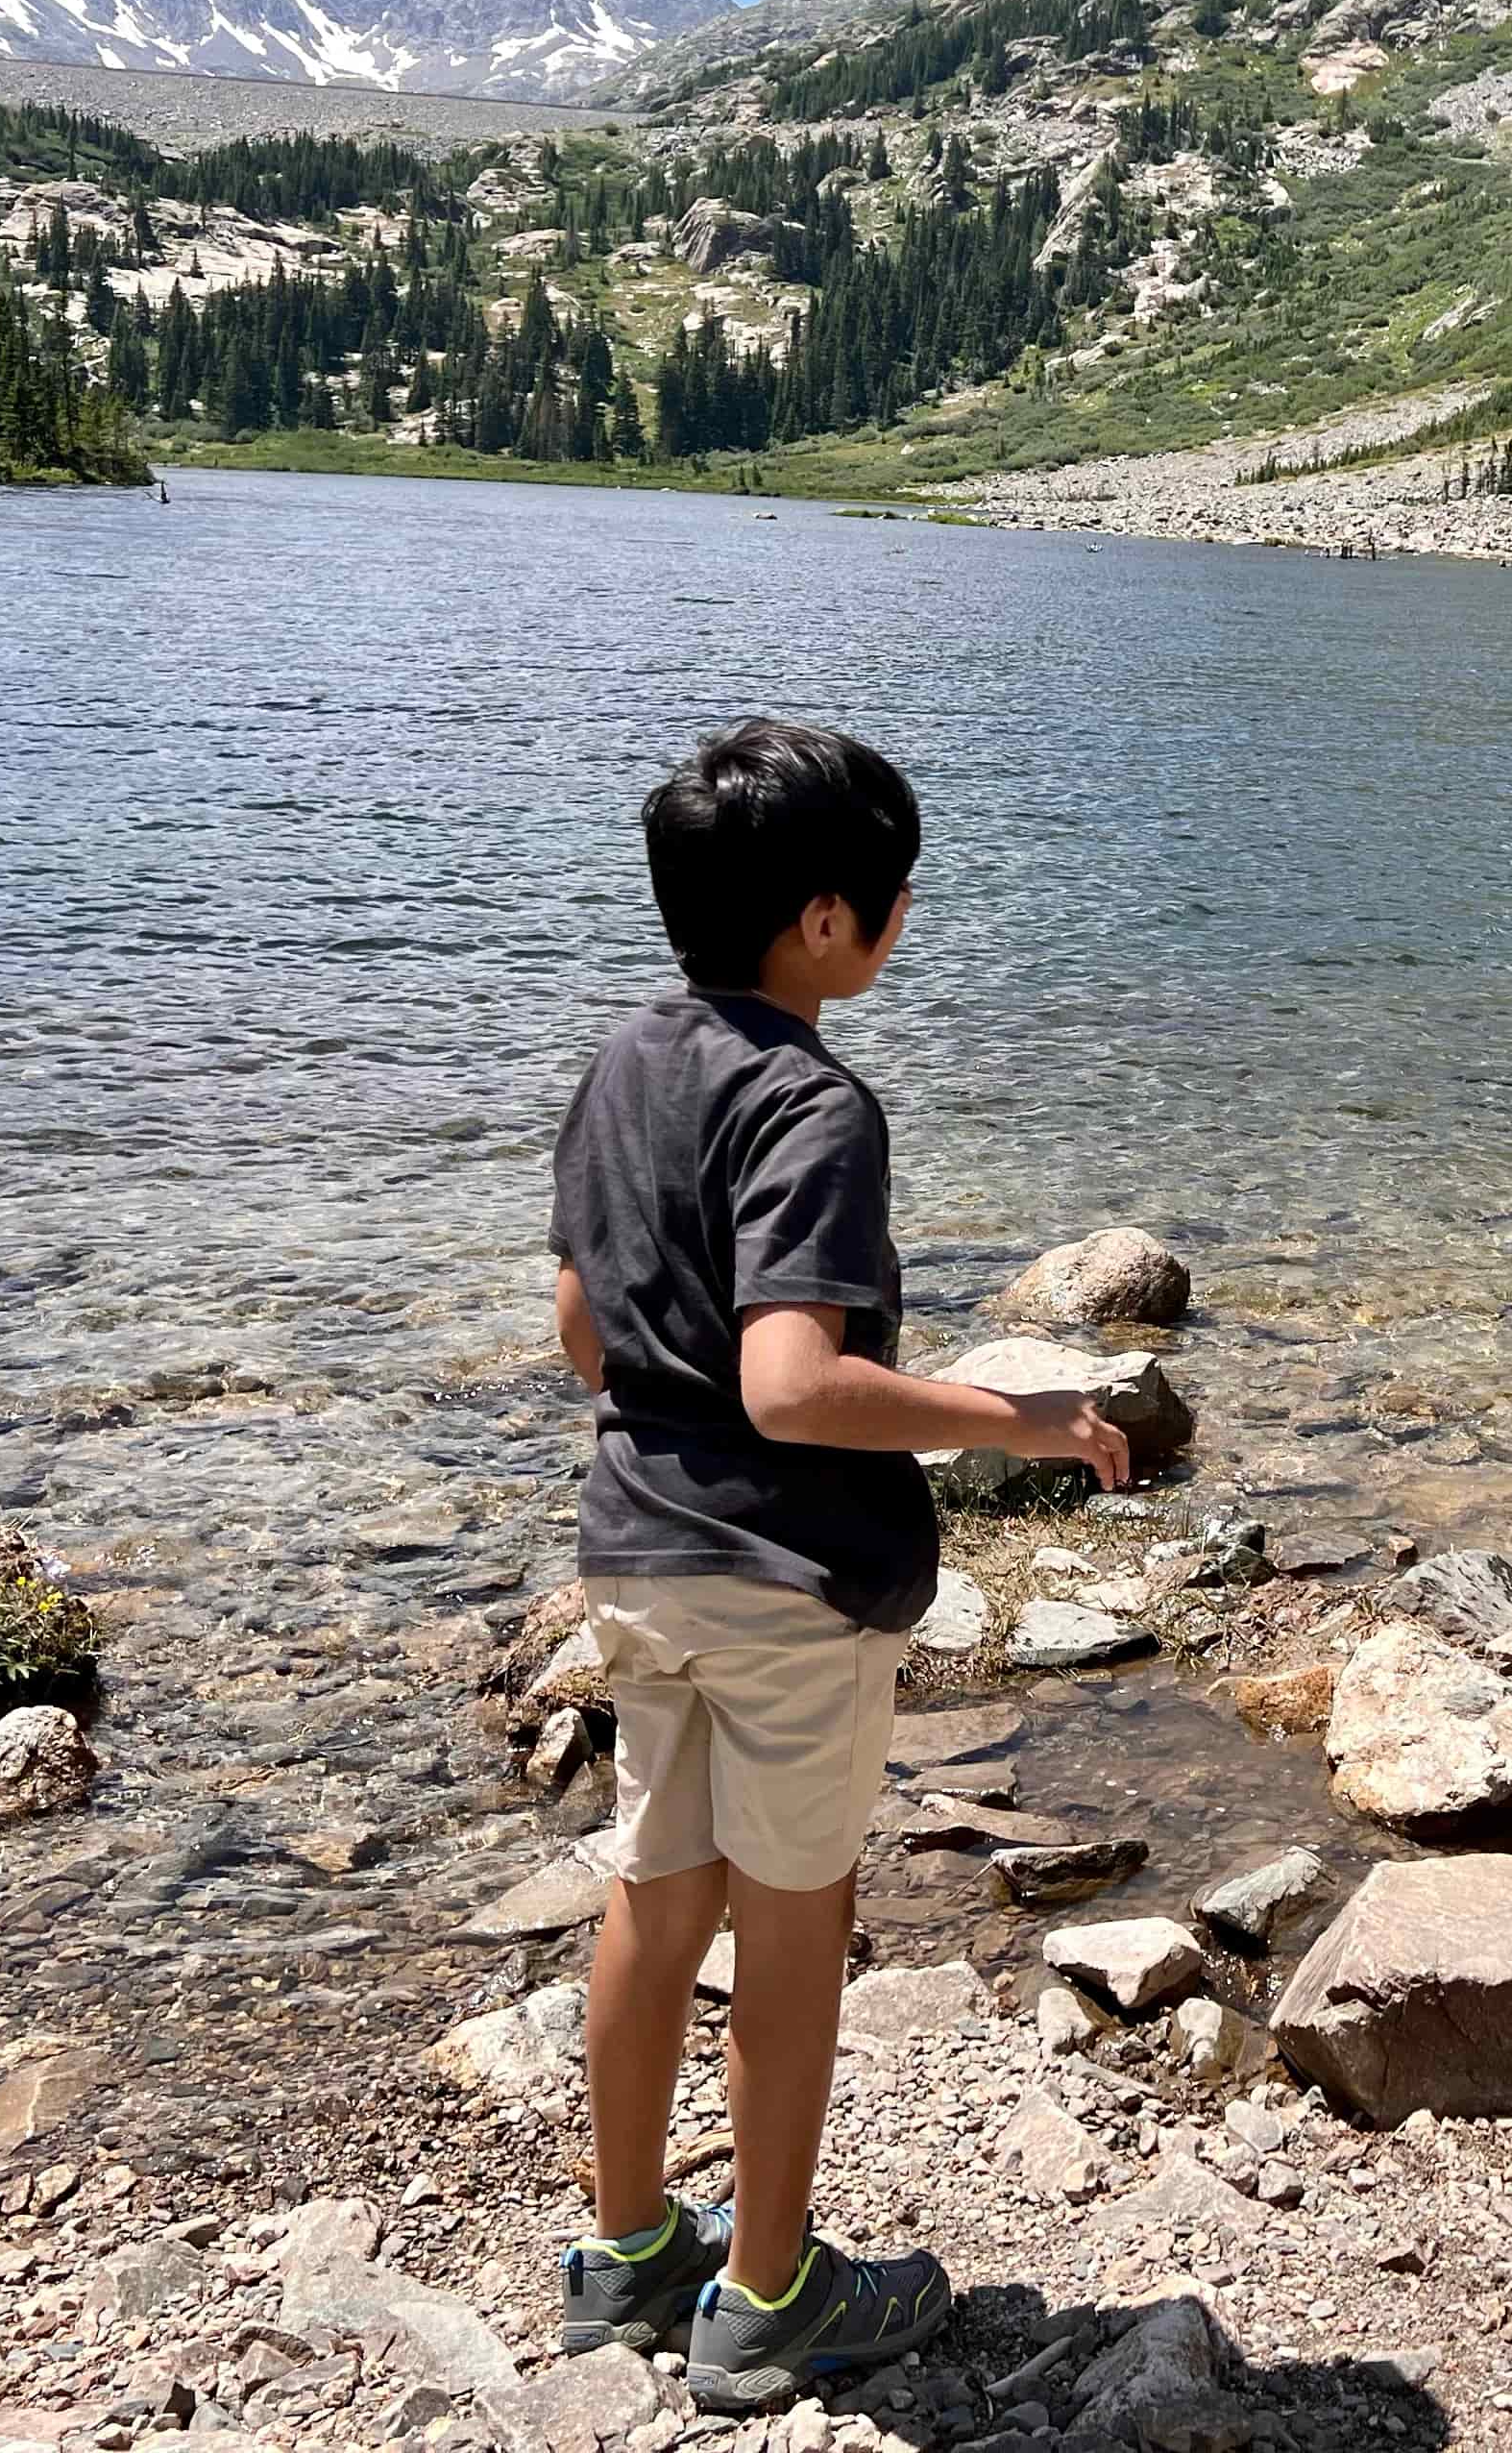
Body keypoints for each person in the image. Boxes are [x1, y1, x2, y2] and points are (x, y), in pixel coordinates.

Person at [548, 717, 1129, 2412]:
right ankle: (772, 2287)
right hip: (786, 1580)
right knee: (797, 1921)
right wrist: (1008, 1416)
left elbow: (587, 1332)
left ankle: (628, 2249)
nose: (894, 930)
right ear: (820, 922)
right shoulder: (813, 1100)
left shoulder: (620, 1066)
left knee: (658, 1895)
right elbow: (790, 1383)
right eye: (888, 905)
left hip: (637, 1553)